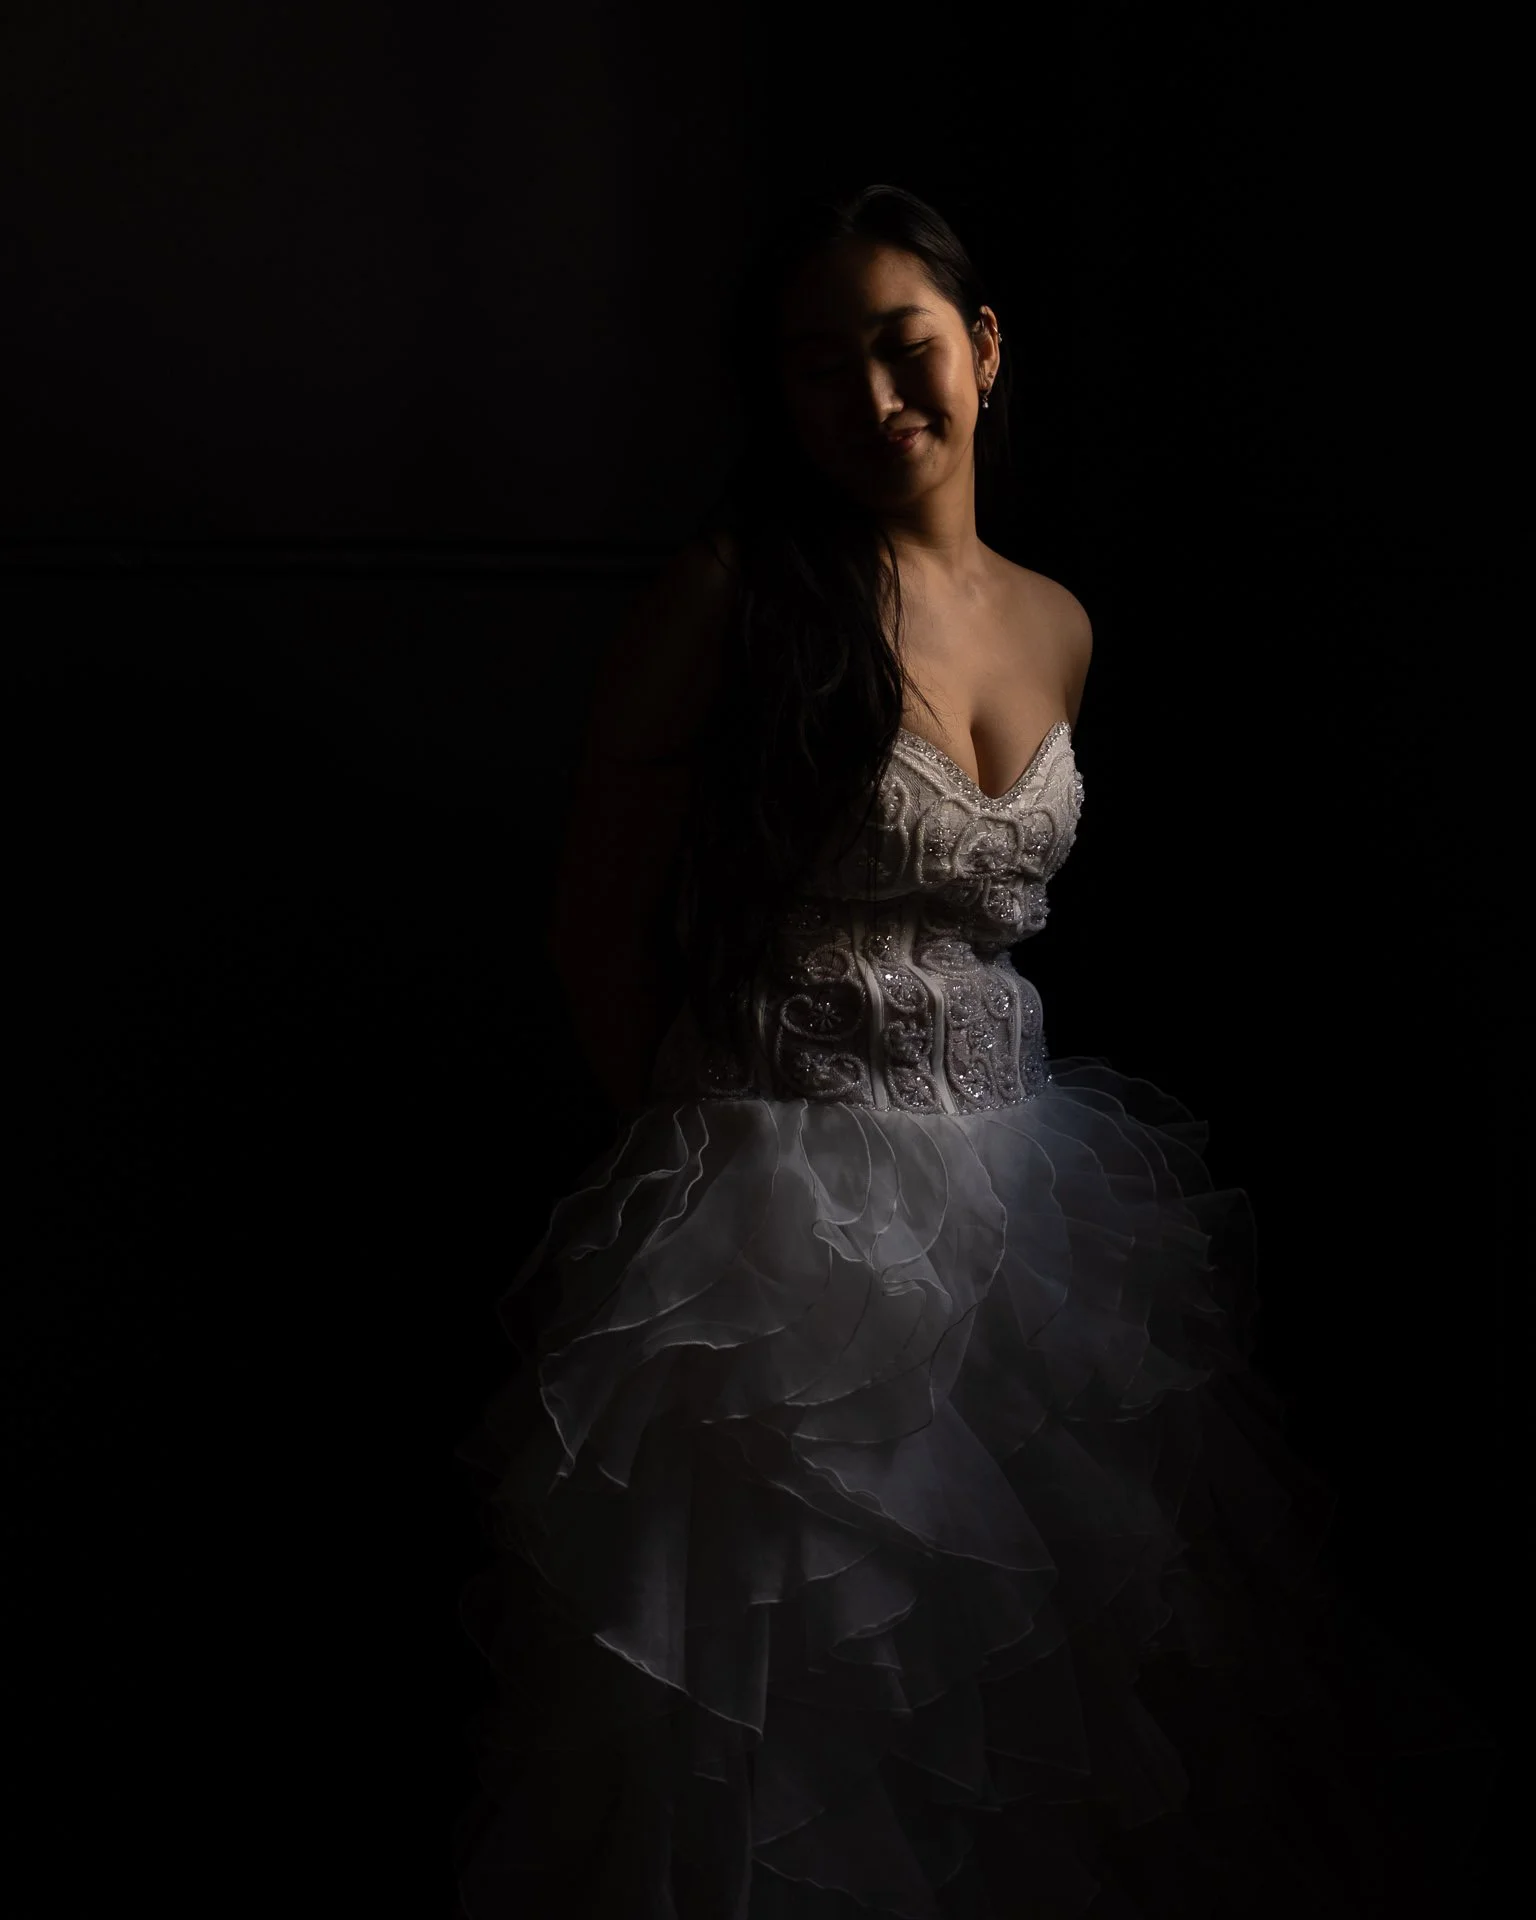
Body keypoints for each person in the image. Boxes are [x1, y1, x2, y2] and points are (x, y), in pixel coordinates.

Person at [452, 184, 1495, 1919]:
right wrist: (706, 1165)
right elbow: (594, 921)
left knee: (1054, 1680)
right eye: (814, 369)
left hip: (1025, 1198)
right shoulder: (734, 596)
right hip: (783, 1206)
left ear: (985, 350)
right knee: (809, 1689)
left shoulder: (1061, 619)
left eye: (901, 345)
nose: (871, 399)